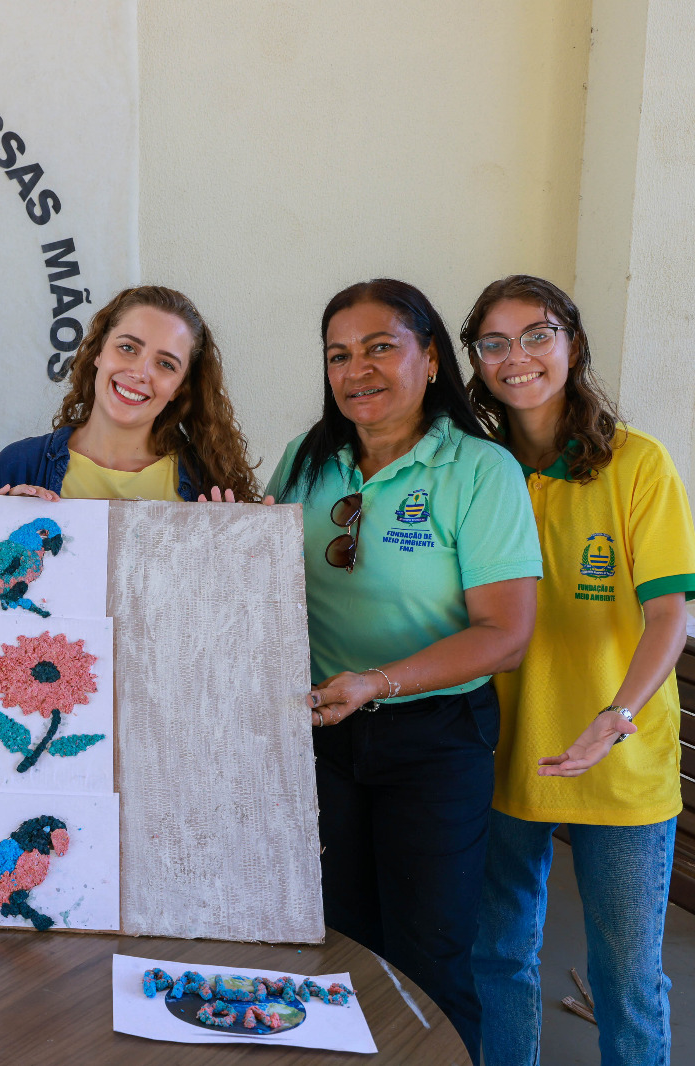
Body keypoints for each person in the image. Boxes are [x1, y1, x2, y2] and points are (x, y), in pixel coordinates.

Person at [265, 278, 541, 1059]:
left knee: (430, 960)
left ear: (429, 359)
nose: (359, 369)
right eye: (339, 355)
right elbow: (256, 580)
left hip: (435, 739)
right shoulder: (306, 460)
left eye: (382, 347)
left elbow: (505, 636)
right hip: (322, 738)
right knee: (339, 946)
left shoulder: (481, 471)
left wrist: (376, 684)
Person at [463, 276, 694, 1066]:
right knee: (497, 955)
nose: (516, 356)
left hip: (619, 758)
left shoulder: (638, 464)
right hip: (502, 753)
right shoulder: (477, 468)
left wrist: (615, 717)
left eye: (537, 333)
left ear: (573, 343)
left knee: (627, 980)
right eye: (493, 342)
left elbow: (670, 616)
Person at [0, 285, 258, 502]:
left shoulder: (210, 486)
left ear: (180, 388)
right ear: (99, 352)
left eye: (165, 364)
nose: (140, 373)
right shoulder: (18, 465)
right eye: (128, 348)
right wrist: (6, 535)